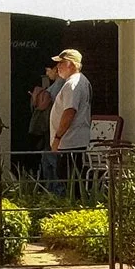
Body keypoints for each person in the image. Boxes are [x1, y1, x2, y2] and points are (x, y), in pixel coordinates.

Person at [46, 47, 92, 194]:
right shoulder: (80, 81)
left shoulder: (73, 84)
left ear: (71, 64)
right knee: (71, 181)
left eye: (61, 63)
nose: (58, 66)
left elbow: (69, 112)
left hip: (69, 142)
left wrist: (57, 138)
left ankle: (71, 205)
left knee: (68, 182)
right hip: (73, 141)